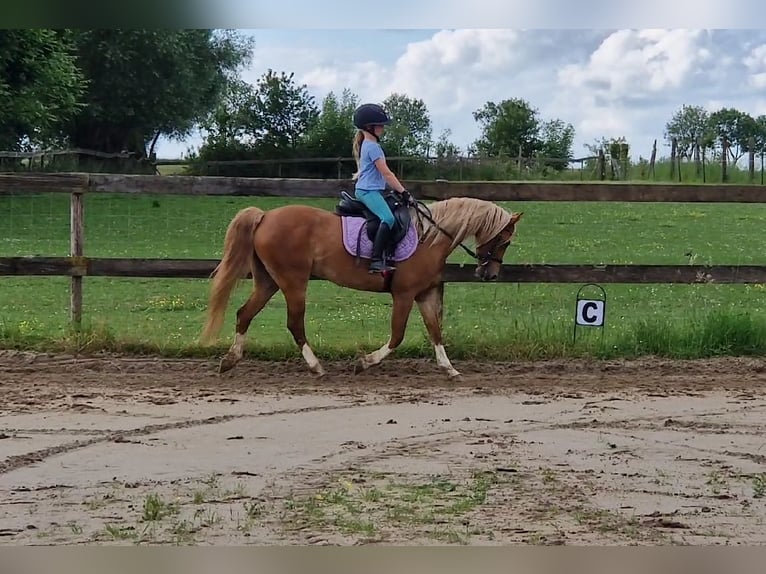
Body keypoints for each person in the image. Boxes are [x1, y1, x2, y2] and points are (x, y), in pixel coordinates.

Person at [351, 103, 413, 274]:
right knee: (389, 218)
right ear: (369, 127)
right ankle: (376, 260)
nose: (382, 128)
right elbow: (387, 174)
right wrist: (404, 192)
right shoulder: (373, 147)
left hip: (372, 190)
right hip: (367, 191)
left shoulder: (368, 145)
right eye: (380, 125)